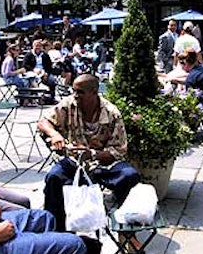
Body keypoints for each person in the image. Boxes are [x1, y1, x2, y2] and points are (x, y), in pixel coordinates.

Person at [38, 74, 140, 232]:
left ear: (94, 92)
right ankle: (55, 230)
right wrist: (55, 134)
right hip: (74, 161)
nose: (75, 95)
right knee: (53, 177)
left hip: (102, 164)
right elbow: (43, 122)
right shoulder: (69, 104)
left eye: (80, 92)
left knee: (129, 175)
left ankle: (127, 229)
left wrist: (92, 153)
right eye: (74, 91)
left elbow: (118, 150)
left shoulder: (112, 113)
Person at [177, 49, 203, 140]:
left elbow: (190, 100)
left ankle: (190, 130)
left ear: (185, 64)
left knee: (184, 106)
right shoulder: (200, 69)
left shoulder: (191, 77)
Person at [22, 39, 58, 104]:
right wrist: (33, 70)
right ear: (33, 46)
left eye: (39, 46)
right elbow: (25, 65)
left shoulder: (45, 55)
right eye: (36, 45)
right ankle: (37, 98)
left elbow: (49, 66)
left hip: (43, 72)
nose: (38, 47)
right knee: (32, 81)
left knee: (52, 80)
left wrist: (46, 73)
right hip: (33, 73)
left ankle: (52, 98)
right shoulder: (28, 55)